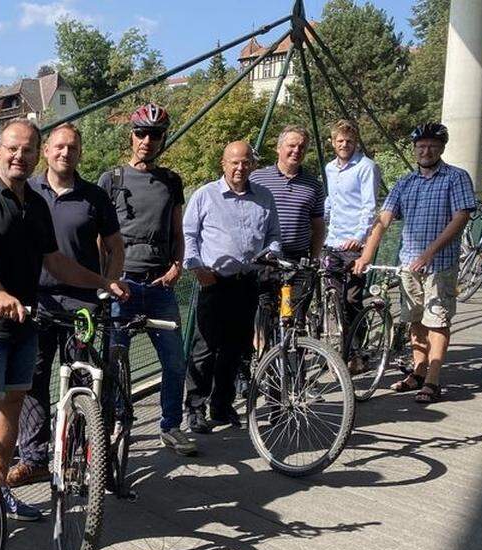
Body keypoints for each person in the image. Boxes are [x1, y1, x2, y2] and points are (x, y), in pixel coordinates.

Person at [0, 119, 129, 545]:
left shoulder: (34, 202)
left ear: (36, 155)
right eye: (13, 148)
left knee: (11, 411)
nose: (20, 156)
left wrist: (102, 282)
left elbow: (55, 261)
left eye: (27, 150)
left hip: (24, 322)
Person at [7, 122, 124, 486]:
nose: (65, 153)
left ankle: (75, 456)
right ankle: (35, 457)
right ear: (45, 151)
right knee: (34, 380)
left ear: (79, 153)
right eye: (58, 146)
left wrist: (108, 285)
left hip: (82, 304)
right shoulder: (26, 191)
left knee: (80, 382)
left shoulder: (95, 196)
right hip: (36, 303)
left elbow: (115, 246)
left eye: (72, 148)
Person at [97, 102, 196, 456]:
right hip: (122, 283)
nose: (147, 141)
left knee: (174, 361)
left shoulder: (171, 181)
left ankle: (170, 426)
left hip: (159, 284)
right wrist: (104, 279)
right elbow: (99, 237)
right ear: (131, 136)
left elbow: (177, 231)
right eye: (141, 133)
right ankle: (115, 425)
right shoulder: (112, 179)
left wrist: (178, 266)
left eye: (155, 135)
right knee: (112, 362)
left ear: (162, 139)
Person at [352, 122, 475, 404]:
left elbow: (461, 217)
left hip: (439, 264)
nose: (426, 150)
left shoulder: (456, 178)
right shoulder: (405, 182)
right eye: (421, 146)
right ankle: (418, 372)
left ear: (441, 148)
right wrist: (366, 254)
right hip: (409, 264)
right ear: (415, 149)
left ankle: (433, 380)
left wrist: (429, 253)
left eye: (432, 145)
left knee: (438, 320)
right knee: (414, 319)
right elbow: (383, 220)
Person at [183, 141, 281, 433]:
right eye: (234, 162)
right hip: (215, 281)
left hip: (248, 282)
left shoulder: (264, 196)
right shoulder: (205, 195)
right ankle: (195, 408)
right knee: (204, 349)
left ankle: (222, 407)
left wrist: (271, 254)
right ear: (223, 164)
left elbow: (274, 235)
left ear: (252, 164)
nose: (240, 168)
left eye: (245, 162)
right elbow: (188, 235)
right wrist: (196, 268)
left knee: (235, 349)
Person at [249, 126, 326, 327]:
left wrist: (315, 259)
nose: (296, 151)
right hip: (265, 259)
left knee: (295, 319)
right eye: (291, 145)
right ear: (278, 148)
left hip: (297, 260)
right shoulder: (257, 178)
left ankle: (293, 356)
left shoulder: (314, 185)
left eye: (302, 147)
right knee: (263, 316)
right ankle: (263, 356)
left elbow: (318, 225)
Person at [324, 119, 381, 337]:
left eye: (349, 141)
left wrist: (359, 237)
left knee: (351, 298)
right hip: (333, 241)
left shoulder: (366, 167)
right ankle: (339, 343)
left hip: (354, 244)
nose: (344, 144)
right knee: (334, 296)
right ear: (333, 142)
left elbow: (369, 206)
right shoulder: (330, 168)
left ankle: (357, 347)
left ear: (355, 142)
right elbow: (331, 200)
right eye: (340, 140)